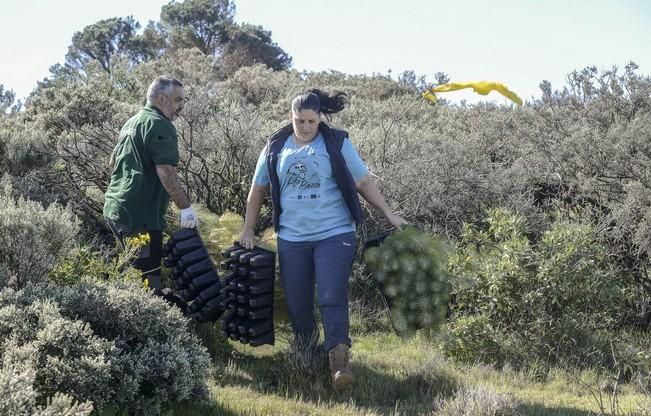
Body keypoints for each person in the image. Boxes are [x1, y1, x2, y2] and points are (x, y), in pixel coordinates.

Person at [240, 89, 406, 390]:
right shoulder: (275, 146)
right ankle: (307, 355)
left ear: (320, 119)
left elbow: (362, 181)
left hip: (334, 232)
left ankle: (339, 363)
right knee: (298, 303)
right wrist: (248, 229)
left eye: (310, 122)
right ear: (290, 117)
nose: (304, 127)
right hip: (292, 237)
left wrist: (388, 213)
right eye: (298, 121)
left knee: (331, 296)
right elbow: (258, 190)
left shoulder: (336, 143)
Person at [103, 75, 198, 291]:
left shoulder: (132, 122)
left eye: (184, 100)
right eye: (177, 100)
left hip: (116, 210)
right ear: (162, 98)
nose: (181, 106)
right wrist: (186, 209)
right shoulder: (160, 124)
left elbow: (112, 162)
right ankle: (145, 317)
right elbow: (166, 172)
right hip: (139, 218)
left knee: (131, 273)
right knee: (148, 282)